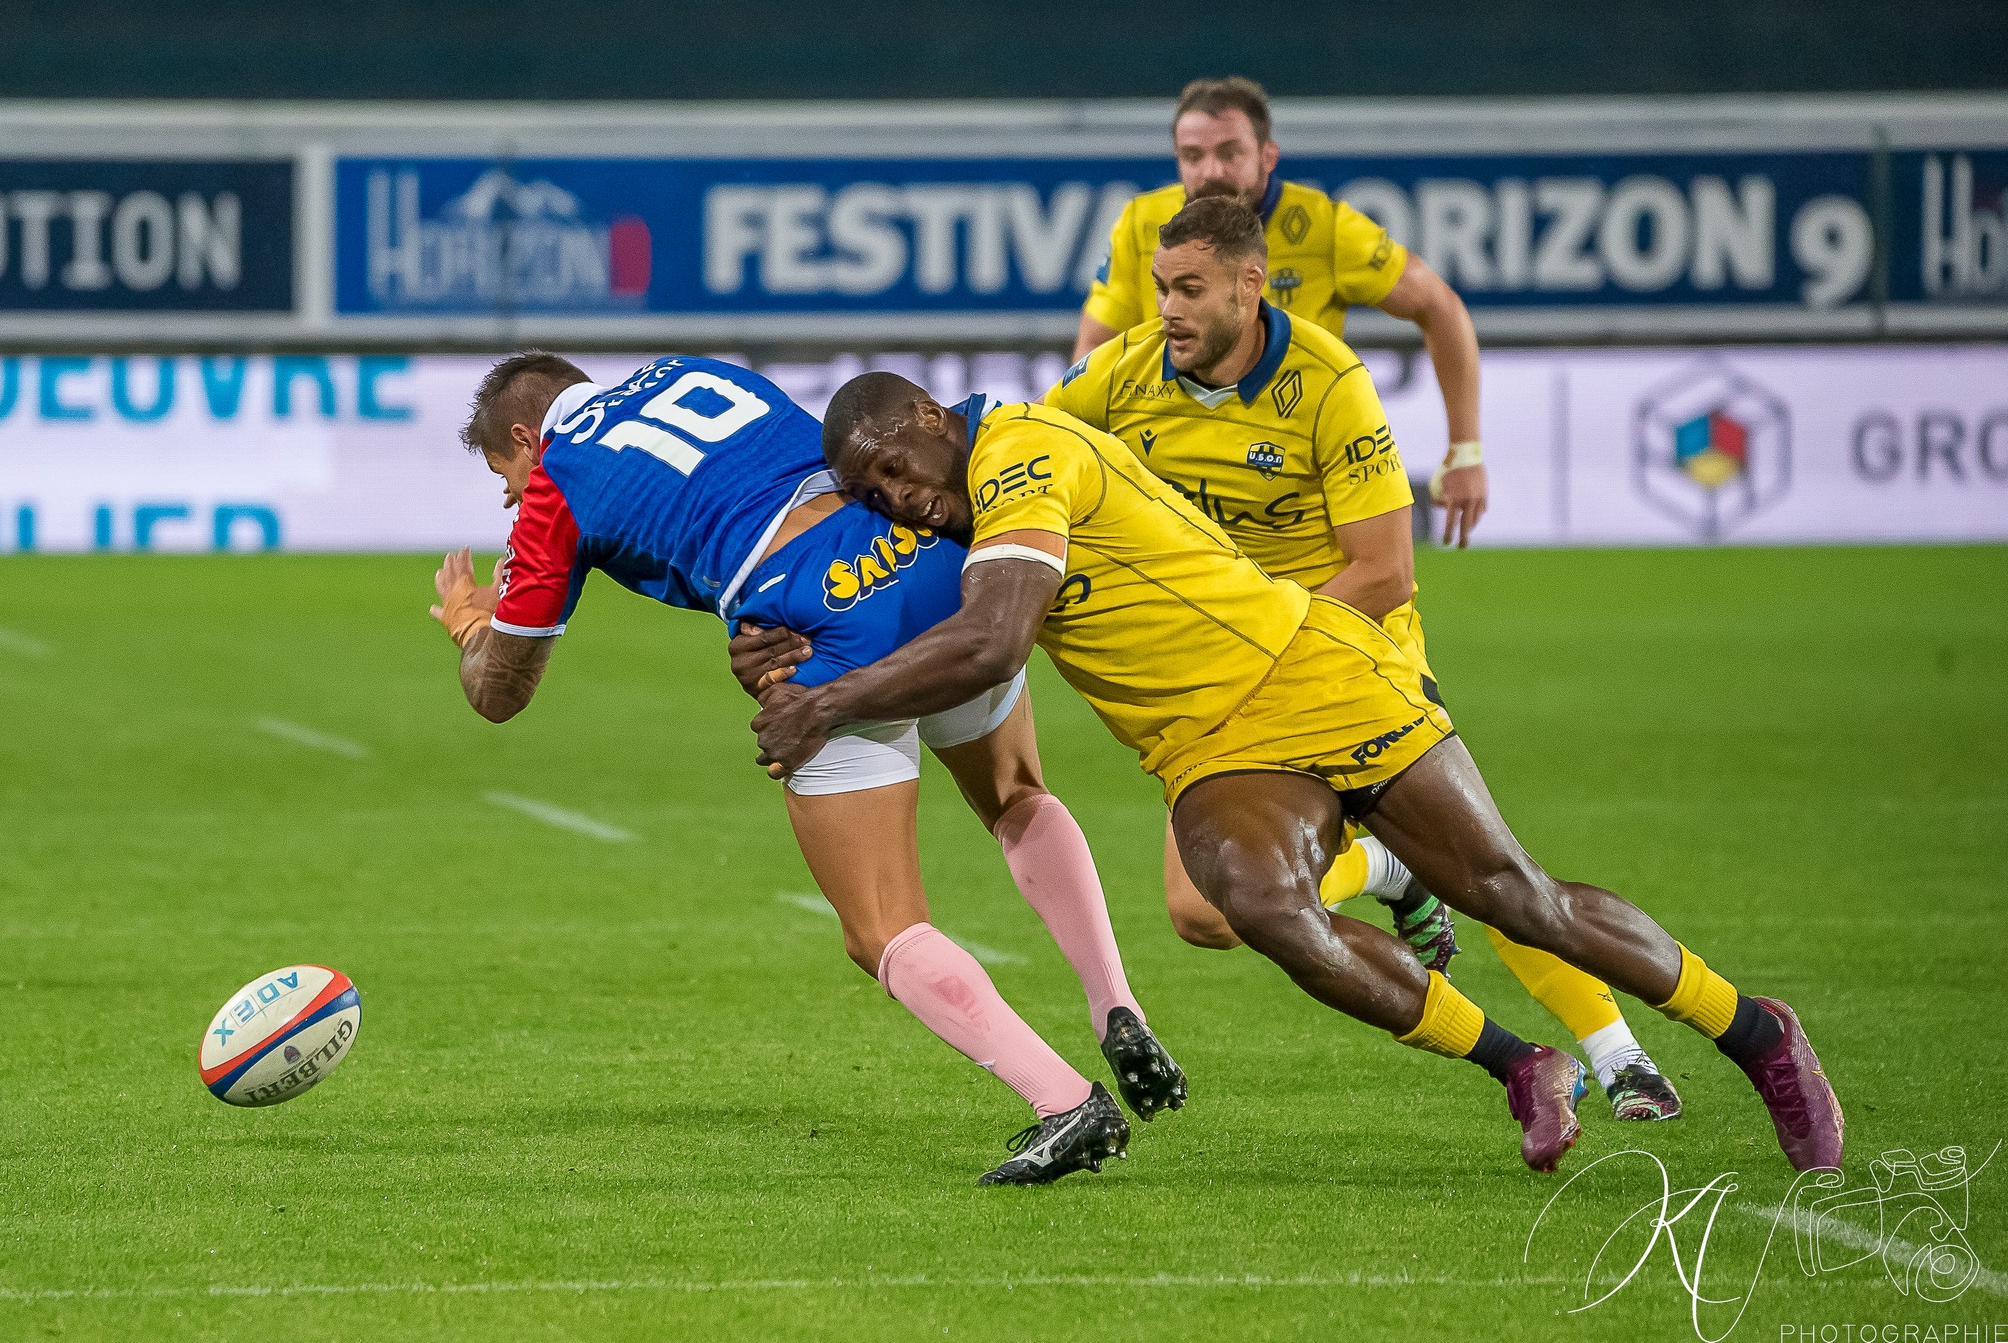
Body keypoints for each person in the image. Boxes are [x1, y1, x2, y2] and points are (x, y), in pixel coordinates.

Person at [746, 364, 1845, 1177]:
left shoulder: (1023, 455)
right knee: (1263, 908)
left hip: (1307, 670)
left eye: (895, 467)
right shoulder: (950, 505)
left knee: (1516, 896)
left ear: (932, 421)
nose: (893, 495)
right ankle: (1521, 1063)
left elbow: (987, 644)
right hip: (1209, 748)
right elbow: (866, 598)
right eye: (869, 491)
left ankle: (1755, 1033)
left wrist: (823, 704)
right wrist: (775, 641)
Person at [429, 351, 1183, 1185]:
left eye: (508, 472)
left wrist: (471, 626)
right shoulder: (694, 369)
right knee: (1015, 795)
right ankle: (1117, 1003)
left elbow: (501, 691)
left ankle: (1065, 1101)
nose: (511, 495)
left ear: (530, 437)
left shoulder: (556, 485)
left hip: (818, 622)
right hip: (923, 562)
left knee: (883, 927)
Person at [1062, 197, 1680, 1121]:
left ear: (1249, 271)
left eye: (1187, 288)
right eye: (1162, 288)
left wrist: (1462, 449)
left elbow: (1387, 569)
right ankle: (1395, 872)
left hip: (1351, 650)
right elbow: (1026, 442)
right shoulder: (1125, 368)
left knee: (1495, 877)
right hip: (1231, 676)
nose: (1167, 307)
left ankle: (1619, 1051)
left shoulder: (1328, 362)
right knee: (1203, 914)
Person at [1075, 76, 1488, 550]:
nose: (1210, 171)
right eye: (1193, 156)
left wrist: (1466, 450)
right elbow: (1095, 349)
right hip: (1182, 476)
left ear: (1267, 156)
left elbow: (1439, 306)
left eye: (1230, 153)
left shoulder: (1324, 227)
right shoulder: (1143, 224)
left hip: (1296, 485)